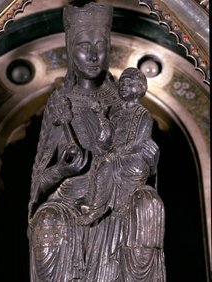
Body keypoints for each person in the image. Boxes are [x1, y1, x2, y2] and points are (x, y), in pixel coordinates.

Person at [28, 2, 166, 281]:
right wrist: (62, 170)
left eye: (100, 44)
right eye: (83, 45)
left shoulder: (123, 101)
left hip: (118, 198)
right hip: (67, 202)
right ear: (69, 47)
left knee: (148, 204)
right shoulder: (60, 104)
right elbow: (39, 185)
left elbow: (143, 150)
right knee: (47, 220)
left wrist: (147, 158)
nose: (93, 55)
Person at [76, 67, 155, 226]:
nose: (123, 86)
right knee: (100, 162)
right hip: (115, 156)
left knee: (106, 164)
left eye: (127, 83)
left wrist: (115, 153)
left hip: (133, 160)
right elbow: (107, 138)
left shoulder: (142, 114)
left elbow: (137, 142)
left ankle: (96, 209)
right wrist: (100, 115)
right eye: (121, 83)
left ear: (138, 86)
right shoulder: (117, 113)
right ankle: (94, 201)